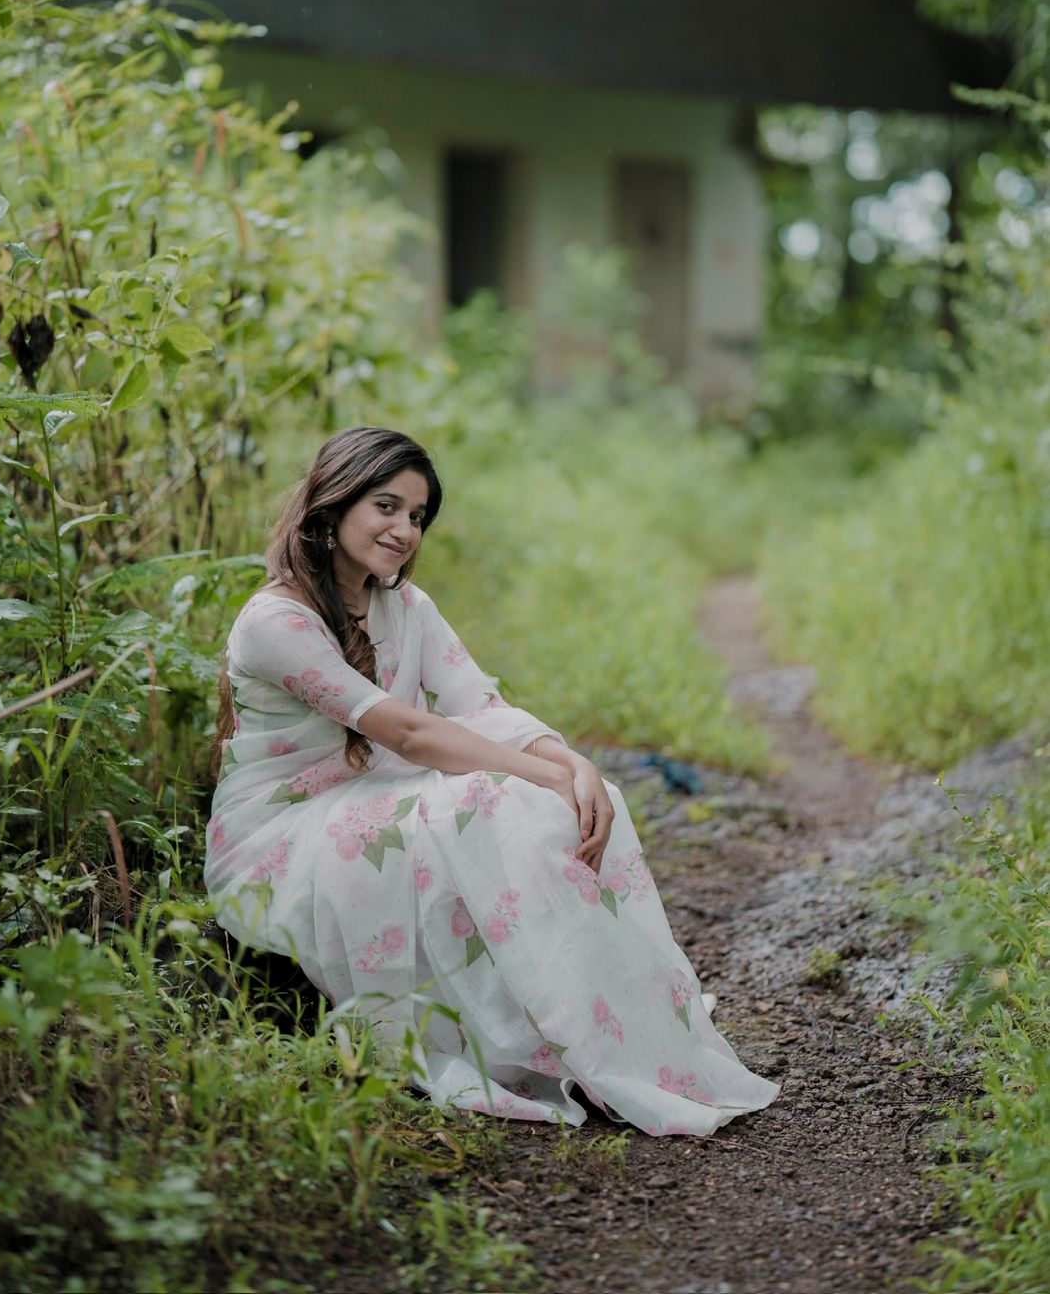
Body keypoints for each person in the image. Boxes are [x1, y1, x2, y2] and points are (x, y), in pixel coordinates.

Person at [204, 426, 780, 1134]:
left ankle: (591, 1029)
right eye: (386, 506)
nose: (404, 529)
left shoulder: (405, 607)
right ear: (334, 502)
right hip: (283, 833)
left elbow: (479, 706)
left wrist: (572, 764)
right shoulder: (276, 619)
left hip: (372, 792)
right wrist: (542, 774)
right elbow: (410, 733)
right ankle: (547, 1036)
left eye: (417, 516)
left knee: (553, 797)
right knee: (489, 797)